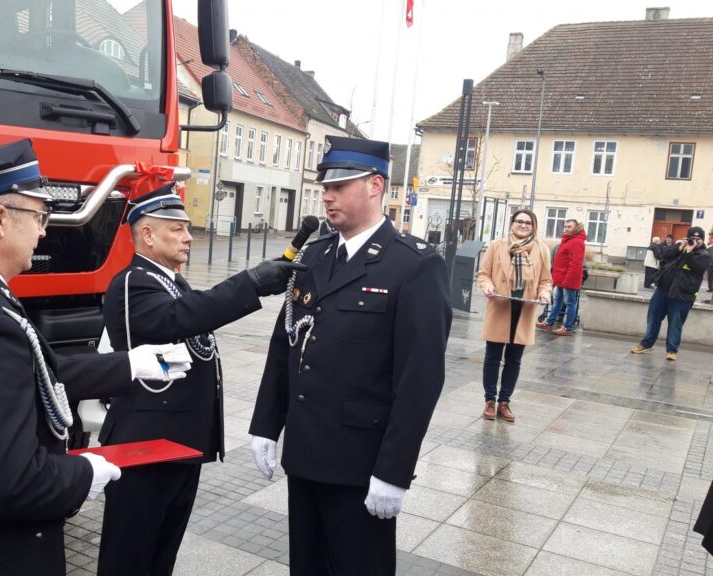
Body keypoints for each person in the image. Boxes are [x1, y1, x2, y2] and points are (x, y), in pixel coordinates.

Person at [0, 139, 186, 576]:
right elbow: (12, 484)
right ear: (0, 220)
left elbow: (25, 375)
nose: (44, 230)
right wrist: (86, 473)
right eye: (39, 216)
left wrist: (130, 364)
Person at [248, 136, 451, 576]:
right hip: (305, 453)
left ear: (375, 185)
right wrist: (267, 423)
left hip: (361, 463)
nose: (327, 194)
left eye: (340, 185)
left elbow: (420, 380)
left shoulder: (414, 265)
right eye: (325, 185)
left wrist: (394, 471)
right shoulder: (315, 254)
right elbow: (286, 343)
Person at [96, 184, 303, 576]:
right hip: (143, 447)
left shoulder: (170, 280)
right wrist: (252, 282)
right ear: (148, 235)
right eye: (177, 229)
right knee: (129, 558)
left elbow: (193, 316)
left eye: (187, 228)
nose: (189, 237)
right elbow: (179, 318)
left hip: (175, 445)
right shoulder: (131, 282)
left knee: (160, 554)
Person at [478, 210, 552, 422]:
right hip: (499, 306)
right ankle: (490, 401)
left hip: (525, 310)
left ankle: (505, 402)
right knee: (492, 358)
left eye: (528, 222)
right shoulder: (496, 246)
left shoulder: (542, 249)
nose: (523, 225)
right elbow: (483, 274)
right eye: (519, 221)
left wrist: (545, 293)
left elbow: (546, 280)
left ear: (534, 226)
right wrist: (488, 286)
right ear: (511, 223)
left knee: (514, 360)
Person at [631, 226, 712, 361]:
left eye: (698, 239)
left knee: (675, 324)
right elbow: (664, 254)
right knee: (653, 319)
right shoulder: (679, 248)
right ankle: (646, 344)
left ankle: (672, 350)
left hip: (682, 295)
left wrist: (689, 252)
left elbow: (697, 267)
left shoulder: (704, 255)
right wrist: (679, 247)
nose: (695, 241)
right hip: (662, 290)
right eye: (693, 238)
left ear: (702, 241)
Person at [538, 219, 585, 335]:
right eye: (566, 226)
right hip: (560, 279)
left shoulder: (577, 242)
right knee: (557, 301)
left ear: (576, 228)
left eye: (569, 227)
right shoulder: (567, 240)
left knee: (570, 303)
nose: (566, 228)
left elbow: (576, 264)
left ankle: (568, 328)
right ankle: (549, 322)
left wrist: (567, 280)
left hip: (568, 280)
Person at [706, 234, 713, 298]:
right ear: (712, 240)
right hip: (710, 264)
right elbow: (706, 255)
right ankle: (710, 288)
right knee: (709, 277)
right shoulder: (709, 247)